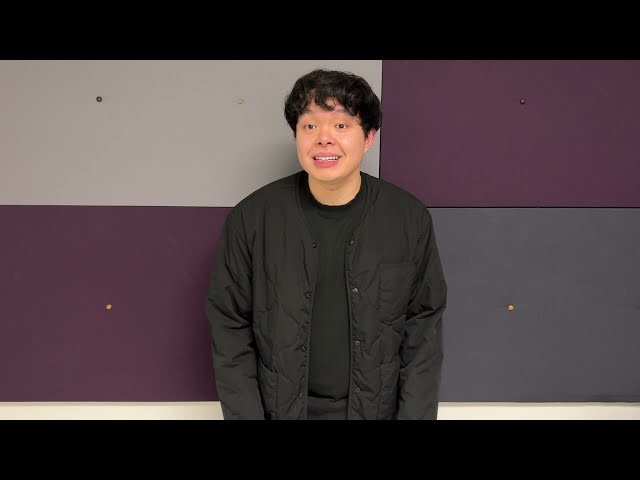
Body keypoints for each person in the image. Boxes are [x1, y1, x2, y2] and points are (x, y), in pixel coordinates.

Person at [206, 68, 447, 420]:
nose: (323, 139)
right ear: (296, 135)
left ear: (369, 137)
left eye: (341, 125)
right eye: (309, 125)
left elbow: (423, 330)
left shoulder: (408, 218)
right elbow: (229, 326)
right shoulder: (252, 218)